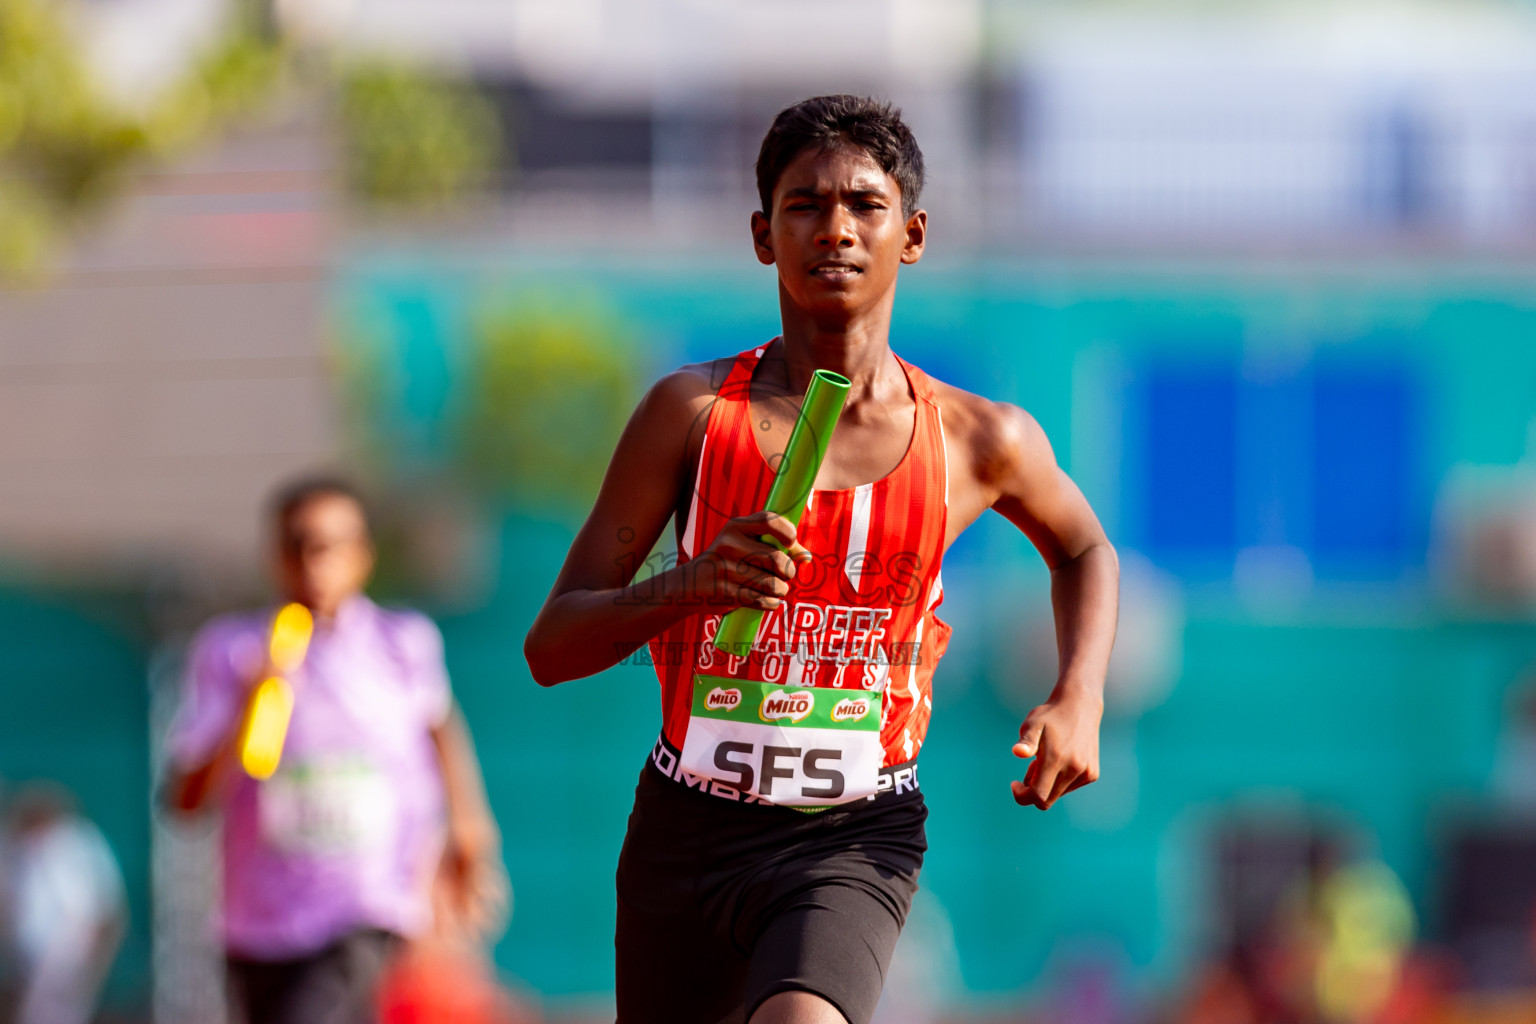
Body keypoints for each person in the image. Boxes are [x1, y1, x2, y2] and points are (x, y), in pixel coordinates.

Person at [523, 95, 1120, 1024]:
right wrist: (691, 585)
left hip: (852, 834)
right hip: (686, 828)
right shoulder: (689, 418)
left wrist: (1079, 693)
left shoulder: (976, 439)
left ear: (911, 235)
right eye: (804, 205)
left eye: (863, 206)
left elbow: (1082, 546)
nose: (834, 229)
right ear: (764, 236)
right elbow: (550, 647)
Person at [162, 477, 507, 1024]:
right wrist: (247, 704)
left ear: (362, 555)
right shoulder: (230, 653)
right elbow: (183, 801)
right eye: (297, 545)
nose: (313, 564)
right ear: (274, 555)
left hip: (366, 906)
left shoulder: (401, 646)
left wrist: (470, 825)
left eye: (330, 546)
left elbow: (440, 724)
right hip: (259, 922)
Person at [2, 782, 126, 1024]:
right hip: (49, 954)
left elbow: (85, 912)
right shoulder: (38, 848)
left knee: (50, 1012)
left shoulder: (68, 845)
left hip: (66, 951)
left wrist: (88, 951)